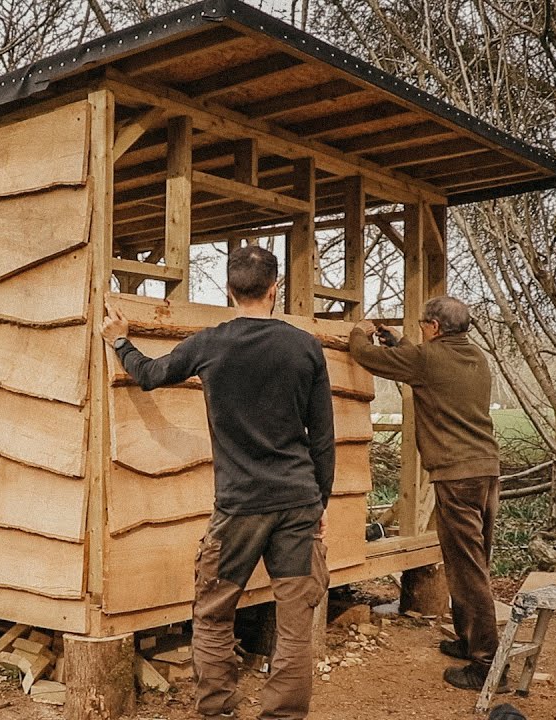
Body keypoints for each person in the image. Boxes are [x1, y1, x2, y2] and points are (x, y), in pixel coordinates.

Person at [101, 245, 334, 720]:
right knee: (294, 623)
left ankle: (218, 710)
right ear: (276, 289)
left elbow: (149, 374)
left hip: (239, 508)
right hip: (297, 501)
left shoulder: (211, 344)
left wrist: (120, 341)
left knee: (212, 613)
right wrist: (320, 504)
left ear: (227, 290)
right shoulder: (305, 346)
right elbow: (323, 437)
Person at [347, 296, 504, 692]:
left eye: (422, 325)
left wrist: (359, 332)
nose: (420, 331)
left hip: (457, 477)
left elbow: (366, 358)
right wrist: (399, 341)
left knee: (469, 570)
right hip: (486, 471)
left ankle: (487, 666)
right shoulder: (476, 357)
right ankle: (469, 641)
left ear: (434, 327)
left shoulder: (427, 360)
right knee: (470, 559)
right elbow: (420, 361)